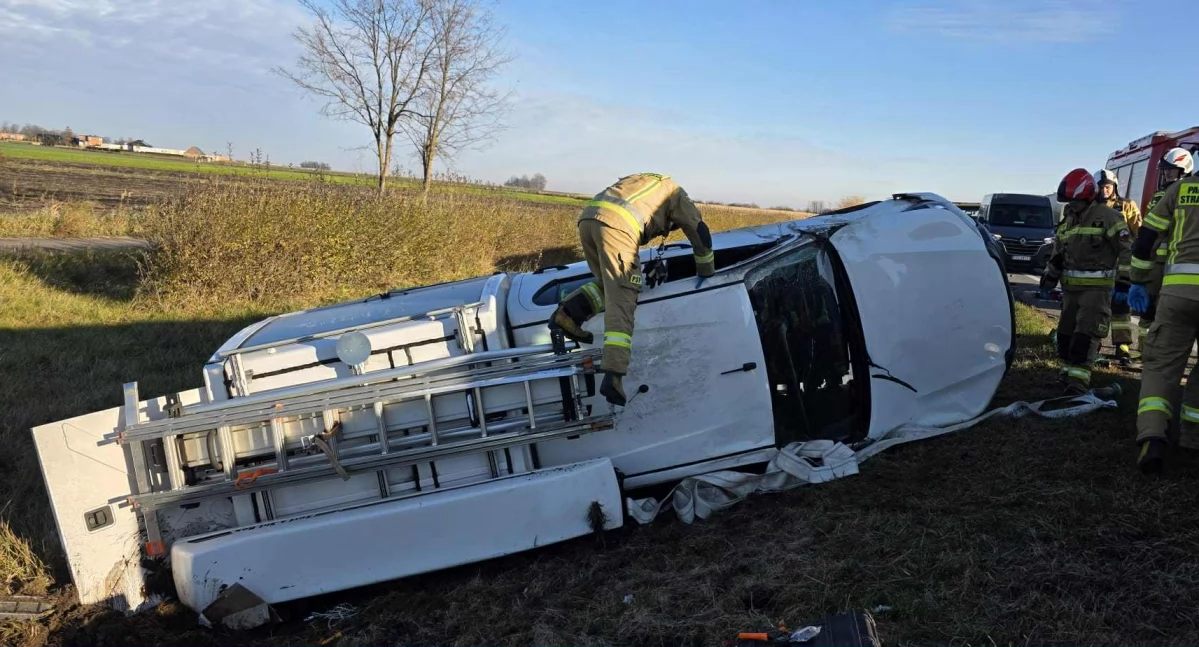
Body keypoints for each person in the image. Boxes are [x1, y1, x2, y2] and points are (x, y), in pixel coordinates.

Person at [549, 173, 715, 406]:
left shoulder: (650, 181)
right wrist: (706, 270)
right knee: (624, 298)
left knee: (611, 285)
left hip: (588, 219)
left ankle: (568, 315)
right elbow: (700, 232)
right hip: (619, 227)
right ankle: (613, 375)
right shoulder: (678, 195)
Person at [1128, 149, 1199, 474]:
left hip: (1178, 294)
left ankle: (1152, 437)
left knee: (1161, 368)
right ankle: (1192, 438)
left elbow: (1145, 240)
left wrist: (1139, 281)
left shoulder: (1178, 191)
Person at [1039, 168, 1131, 395]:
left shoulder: (1108, 217)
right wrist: (1049, 278)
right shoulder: (1069, 217)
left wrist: (1124, 281)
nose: (1072, 205)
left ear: (1088, 196)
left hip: (1096, 291)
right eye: (1069, 202)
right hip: (1070, 291)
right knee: (1065, 337)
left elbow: (1127, 250)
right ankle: (1065, 378)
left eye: (1075, 201)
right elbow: (1058, 252)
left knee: (1084, 337)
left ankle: (1078, 384)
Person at [1134, 148, 1195, 355]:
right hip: (1158, 264)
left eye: (1171, 170)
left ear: (1184, 170)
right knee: (1149, 310)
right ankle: (1144, 351)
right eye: (1165, 171)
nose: (1167, 174)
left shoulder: (1182, 193)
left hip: (1177, 262)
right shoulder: (1161, 195)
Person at [1095, 169, 1141, 362]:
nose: (1104, 191)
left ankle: (1122, 345)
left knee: (1121, 308)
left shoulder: (1127, 206)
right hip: (1098, 265)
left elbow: (1138, 233)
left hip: (1121, 265)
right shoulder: (1092, 207)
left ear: (1114, 187)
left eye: (1108, 187)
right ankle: (1094, 341)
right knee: (1096, 306)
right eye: (1101, 187)